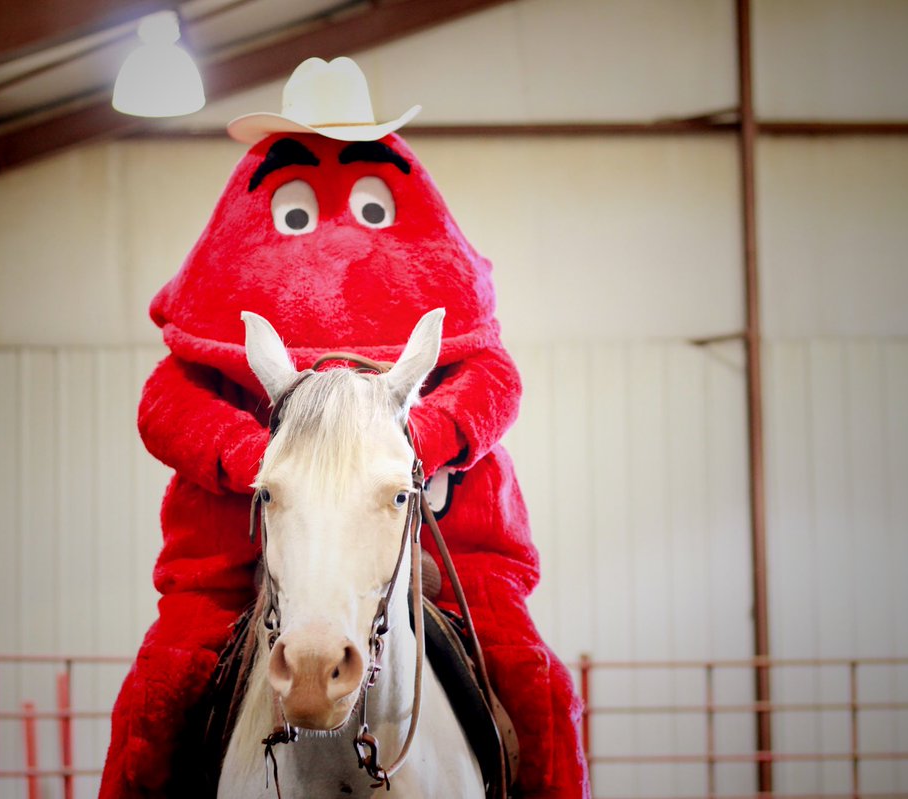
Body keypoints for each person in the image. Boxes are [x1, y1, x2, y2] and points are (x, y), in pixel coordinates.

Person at [100, 56, 589, 798]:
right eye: (297, 212)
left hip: (447, 556)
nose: (331, 238)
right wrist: (263, 457)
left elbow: (494, 379)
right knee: (156, 697)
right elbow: (168, 403)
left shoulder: (438, 311)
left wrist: (413, 441)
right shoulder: (227, 316)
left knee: (539, 689)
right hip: (233, 562)